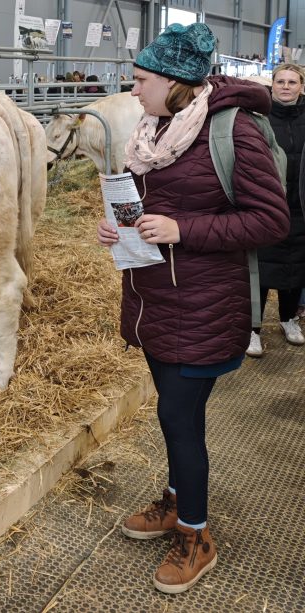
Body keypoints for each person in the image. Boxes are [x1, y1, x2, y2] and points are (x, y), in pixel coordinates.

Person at [96, 23, 289, 594]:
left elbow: (271, 220)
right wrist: (119, 228)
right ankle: (177, 499)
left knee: (180, 421)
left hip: (203, 304)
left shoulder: (233, 131)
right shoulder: (153, 131)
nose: (133, 90)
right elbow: (146, 204)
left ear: (175, 81)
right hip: (155, 298)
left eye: (141, 80)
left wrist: (183, 229)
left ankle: (196, 534)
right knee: (173, 415)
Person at [246, 63, 305, 357]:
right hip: (269, 206)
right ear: (272, 86)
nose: (285, 87)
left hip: (300, 206)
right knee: (261, 268)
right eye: (280, 81)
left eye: (292, 82)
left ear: (301, 87)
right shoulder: (260, 118)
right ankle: (253, 329)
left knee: (295, 268)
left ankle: (288, 318)